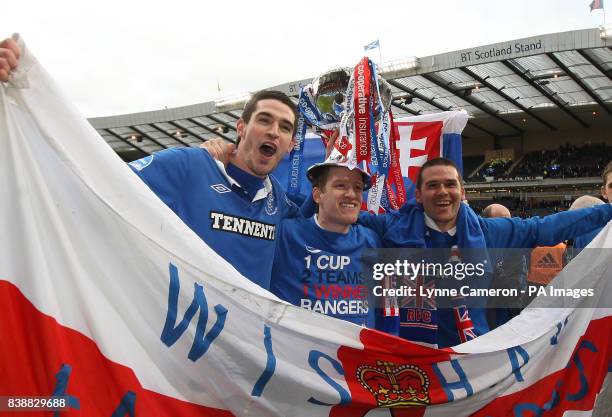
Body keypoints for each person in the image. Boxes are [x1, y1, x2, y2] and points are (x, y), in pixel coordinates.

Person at [359, 158, 612, 348]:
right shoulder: (391, 228)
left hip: (471, 354)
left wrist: (607, 210)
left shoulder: (488, 233)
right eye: (433, 185)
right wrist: (324, 178)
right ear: (419, 194)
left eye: (450, 184)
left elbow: (544, 228)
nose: (443, 192)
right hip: (410, 353)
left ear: (462, 191)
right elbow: (335, 216)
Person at [128, 90, 300, 289]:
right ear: (241, 127)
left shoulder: (278, 198)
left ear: (291, 145)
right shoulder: (191, 164)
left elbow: (324, 216)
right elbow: (108, 177)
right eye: (264, 120)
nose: (274, 131)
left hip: (247, 320)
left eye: (285, 127)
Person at [270, 162, 383, 327]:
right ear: (317, 195)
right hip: (294, 349)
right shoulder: (285, 233)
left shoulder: (372, 241)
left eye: (358, 188)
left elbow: (387, 308)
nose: (352, 194)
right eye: (340, 185)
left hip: (355, 351)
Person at [481, 204, 528, 328]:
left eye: (510, 220)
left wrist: (494, 276)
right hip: (479, 321)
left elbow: (515, 289)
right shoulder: (473, 247)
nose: (508, 225)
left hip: (507, 319)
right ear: (487, 223)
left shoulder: (516, 251)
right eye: (503, 220)